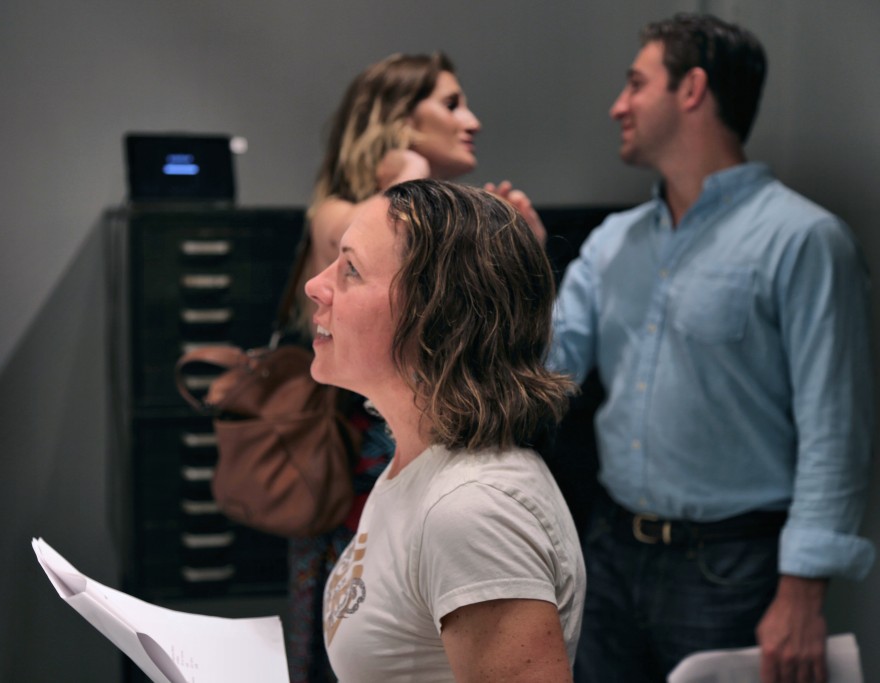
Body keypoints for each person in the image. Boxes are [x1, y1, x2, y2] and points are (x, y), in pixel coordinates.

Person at [550, 13, 875, 682]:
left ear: (692, 88)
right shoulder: (613, 242)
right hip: (607, 554)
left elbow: (835, 429)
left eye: (636, 83)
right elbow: (546, 374)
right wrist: (516, 274)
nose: (618, 105)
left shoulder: (805, 241)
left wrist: (803, 592)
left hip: (731, 571)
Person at [286, 52, 541, 682]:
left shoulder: (472, 511)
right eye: (450, 104)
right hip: (357, 475)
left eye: (348, 271)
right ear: (396, 120)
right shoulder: (351, 211)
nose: (471, 119)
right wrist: (410, 176)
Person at [305, 178, 584, 682]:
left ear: (435, 316)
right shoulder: (415, 461)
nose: (316, 286)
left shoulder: (474, 510)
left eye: (350, 270)